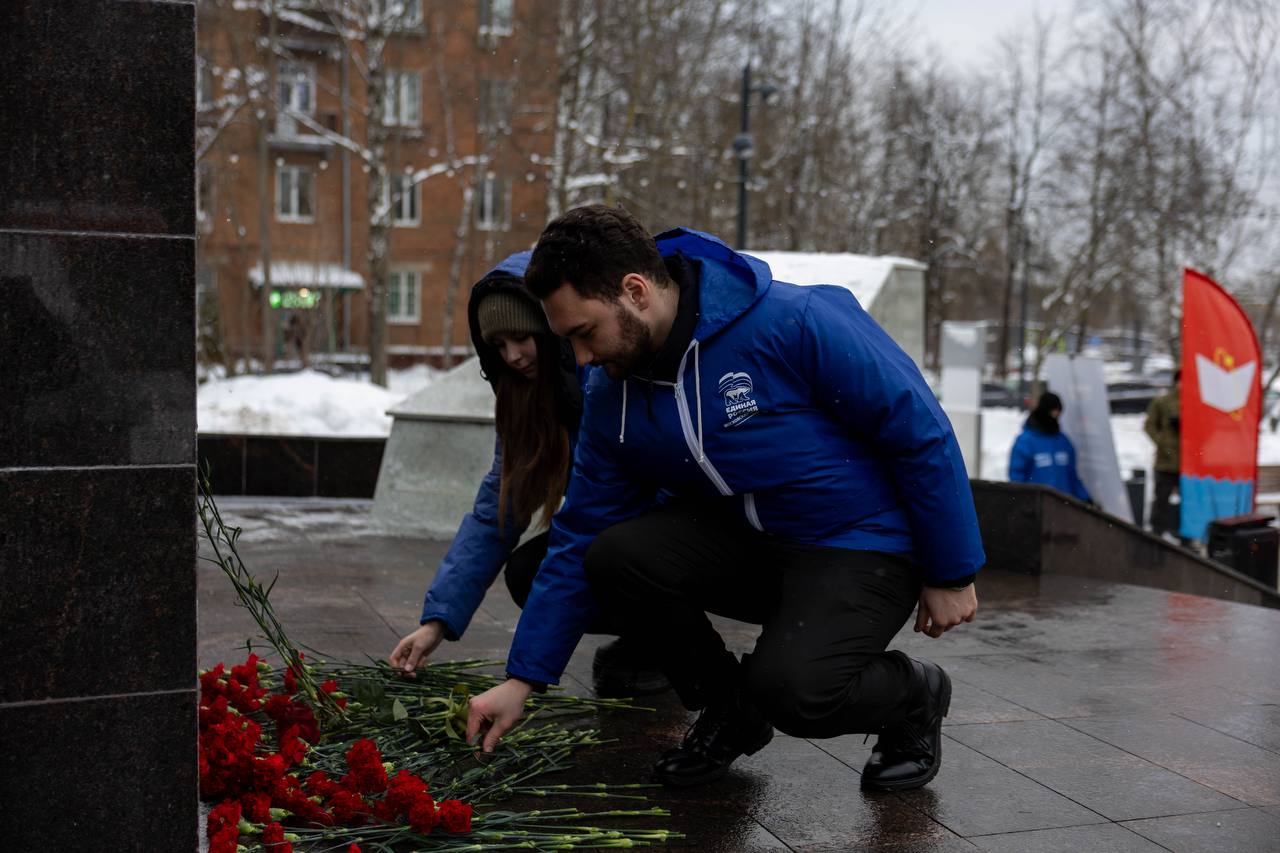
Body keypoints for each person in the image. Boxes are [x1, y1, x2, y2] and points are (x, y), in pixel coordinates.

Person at [466, 206, 983, 793]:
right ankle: (730, 708)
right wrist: (522, 680)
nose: (580, 359)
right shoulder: (614, 391)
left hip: (859, 542)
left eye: (584, 333)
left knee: (794, 691)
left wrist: (951, 569)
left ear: (635, 291)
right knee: (614, 554)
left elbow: (918, 429)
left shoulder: (793, 320)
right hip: (754, 540)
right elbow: (582, 526)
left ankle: (915, 696)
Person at [388, 253, 667, 697]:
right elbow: (495, 512)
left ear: (552, 327)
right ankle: (647, 634)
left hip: (661, 535)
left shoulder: (609, 373)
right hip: (605, 532)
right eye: (498, 347)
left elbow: (621, 507)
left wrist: (525, 677)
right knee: (529, 569)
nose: (513, 357)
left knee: (602, 553)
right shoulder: (526, 399)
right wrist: (436, 622)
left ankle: (663, 641)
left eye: (521, 338)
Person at [1008, 392, 1092, 503]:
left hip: (1063, 507)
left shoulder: (1063, 442)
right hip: (1036, 508)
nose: (1056, 416)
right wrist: (1022, 502)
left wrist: (1085, 499)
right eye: (1052, 412)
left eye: (1058, 413)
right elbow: (1017, 477)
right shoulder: (1026, 441)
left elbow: (1072, 476)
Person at [1144, 370, 1181, 537]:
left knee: (1187, 504)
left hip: (1188, 465)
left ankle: (1183, 535)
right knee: (1161, 501)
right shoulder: (1163, 402)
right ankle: (1157, 534)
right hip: (1165, 462)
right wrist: (1163, 442)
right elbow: (1149, 425)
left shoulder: (1195, 403)